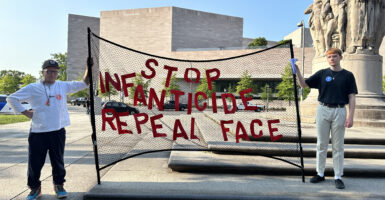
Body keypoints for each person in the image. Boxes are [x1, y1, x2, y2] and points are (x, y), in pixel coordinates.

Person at [7, 59, 90, 199]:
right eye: (49, 71)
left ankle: (59, 185)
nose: (52, 74)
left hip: (57, 130)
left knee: (58, 161)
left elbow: (84, 84)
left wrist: (88, 67)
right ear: (43, 72)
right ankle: (35, 188)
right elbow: (11, 98)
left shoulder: (62, 86)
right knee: (35, 162)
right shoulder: (32, 87)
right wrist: (26, 112)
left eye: (55, 72)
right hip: (38, 132)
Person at [294, 48, 357, 189]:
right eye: (329, 57)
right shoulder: (322, 73)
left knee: (338, 146)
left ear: (341, 57)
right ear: (327, 59)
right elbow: (304, 85)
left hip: (340, 110)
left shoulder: (348, 75)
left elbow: (352, 97)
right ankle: (320, 173)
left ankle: (338, 176)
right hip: (323, 109)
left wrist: (350, 116)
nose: (332, 59)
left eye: (335, 56)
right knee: (321, 144)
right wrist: (297, 70)